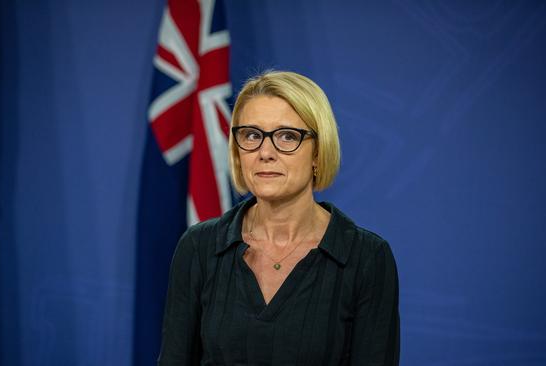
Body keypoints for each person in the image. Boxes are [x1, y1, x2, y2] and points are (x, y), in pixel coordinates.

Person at [157, 71, 399, 365]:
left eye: (287, 136)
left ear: (317, 153)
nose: (265, 152)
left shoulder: (365, 258)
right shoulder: (199, 247)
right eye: (252, 135)